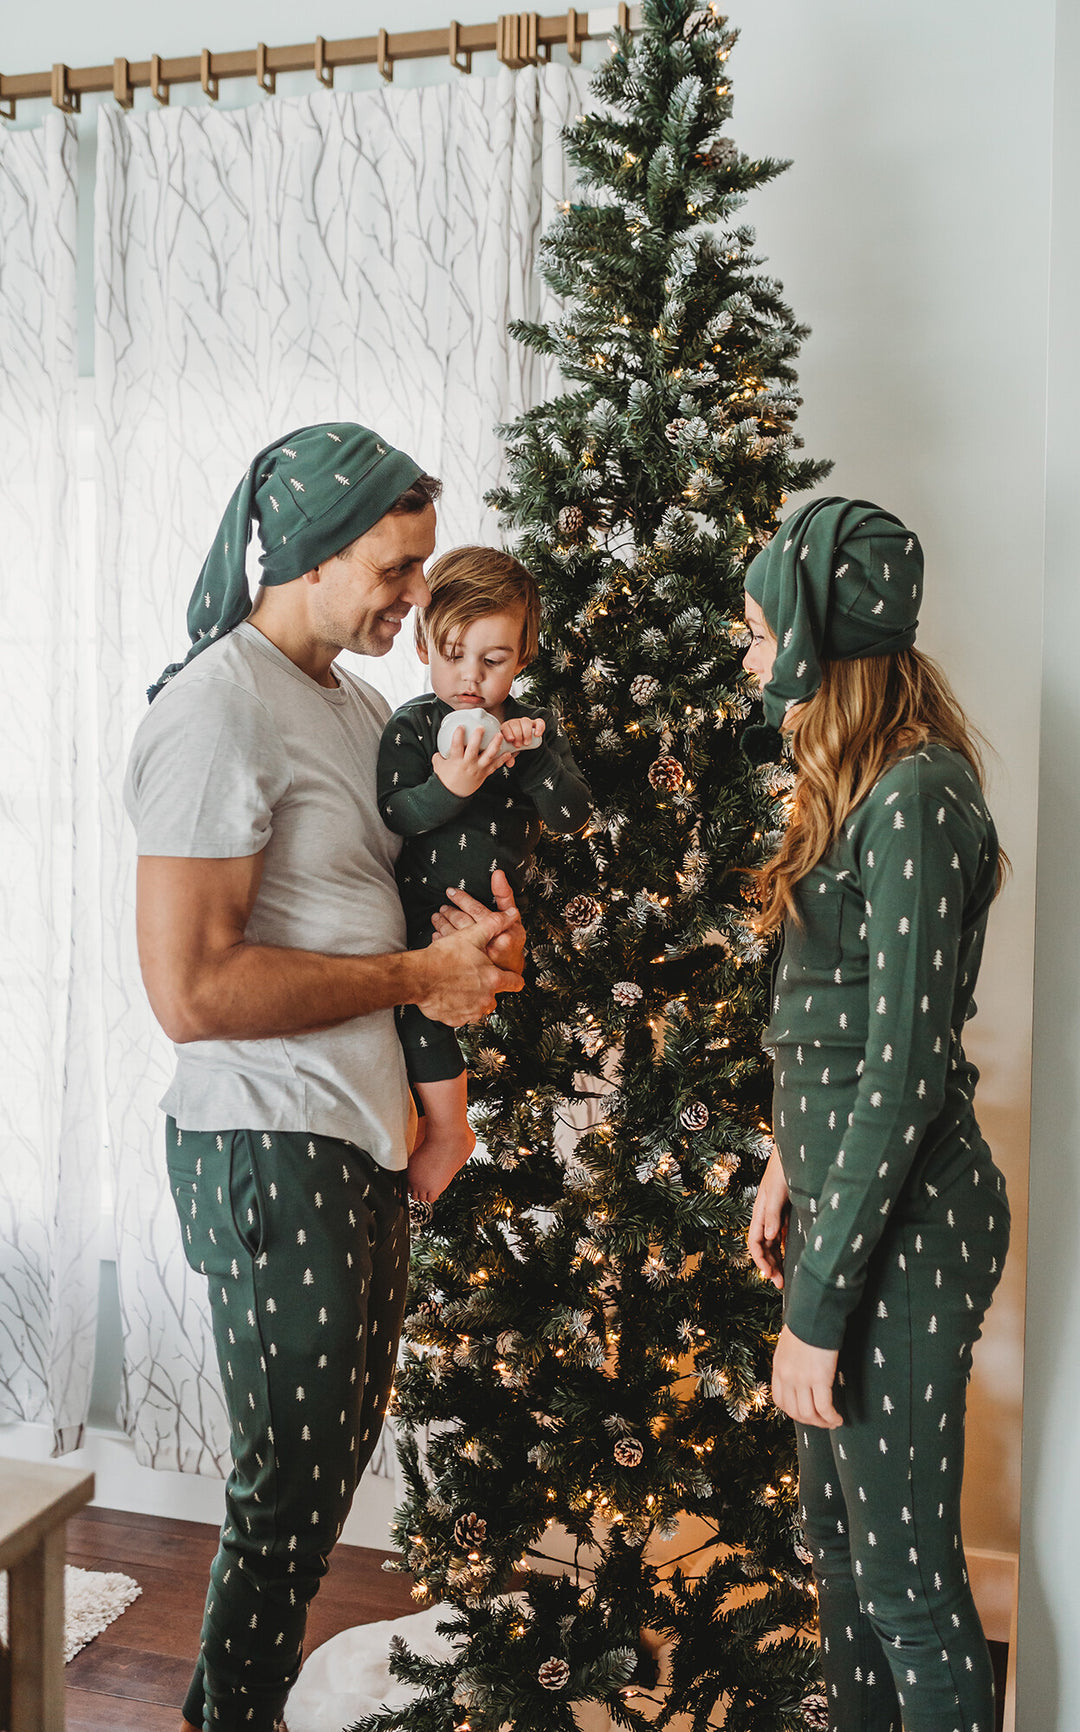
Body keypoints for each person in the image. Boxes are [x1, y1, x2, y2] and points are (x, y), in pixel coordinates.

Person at [124, 423, 525, 1732]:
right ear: (307, 545)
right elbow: (191, 994)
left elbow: (384, 897)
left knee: (322, 1476)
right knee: (288, 1485)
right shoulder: (215, 708)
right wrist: (420, 981)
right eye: (397, 567)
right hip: (264, 1138)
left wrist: (468, 949)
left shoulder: (353, 705)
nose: (417, 598)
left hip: (352, 1134)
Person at [743, 497, 1010, 1732]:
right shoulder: (851, 786)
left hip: (907, 1222)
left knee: (904, 1583)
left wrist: (814, 1319)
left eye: (756, 632)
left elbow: (901, 1076)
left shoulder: (915, 796)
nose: (748, 661)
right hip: (841, 1197)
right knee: (838, 1554)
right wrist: (783, 1163)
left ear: (807, 639)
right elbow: (831, 1022)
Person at [377, 547, 591, 1204]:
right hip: (422, 909)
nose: (470, 677)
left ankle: (460, 1132)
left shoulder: (530, 731)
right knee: (419, 1014)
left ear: (522, 660)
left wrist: (532, 759)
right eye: (452, 654)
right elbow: (397, 811)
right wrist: (450, 787)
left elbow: (573, 813)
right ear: (422, 646)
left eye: (493, 661)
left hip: (499, 919)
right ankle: (447, 1127)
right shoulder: (414, 726)